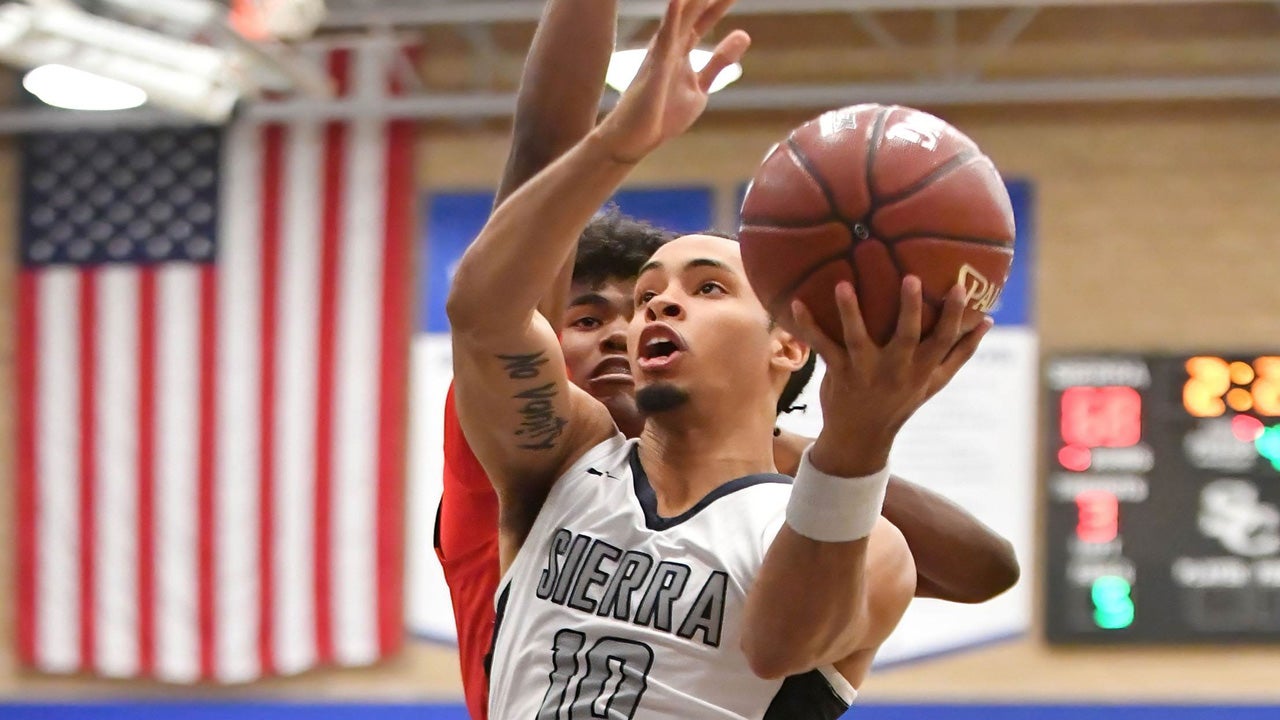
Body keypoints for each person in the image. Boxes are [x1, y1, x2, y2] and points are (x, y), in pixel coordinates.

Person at [435, 0, 1017, 717]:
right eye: (648, 294)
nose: (655, 308)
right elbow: (482, 309)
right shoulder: (564, 462)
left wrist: (858, 436)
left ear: (789, 341)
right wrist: (619, 143)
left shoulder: (868, 544)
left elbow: (780, 645)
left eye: (706, 286)